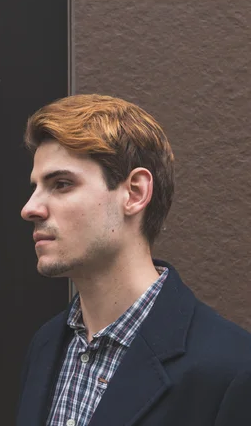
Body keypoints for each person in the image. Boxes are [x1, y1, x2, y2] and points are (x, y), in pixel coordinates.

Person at [16, 94, 251, 426]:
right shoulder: (46, 346)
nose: (30, 208)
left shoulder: (233, 370)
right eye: (36, 186)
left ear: (135, 192)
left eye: (61, 184)